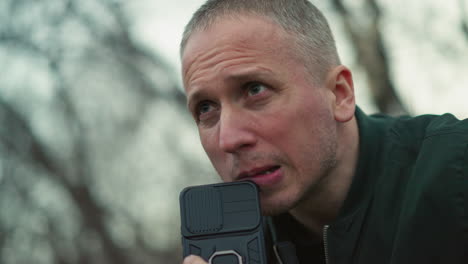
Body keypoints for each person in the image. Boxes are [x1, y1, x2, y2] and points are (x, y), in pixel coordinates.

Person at [179, 0, 468, 263]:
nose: (228, 139)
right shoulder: (241, 248)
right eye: (206, 108)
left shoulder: (454, 174)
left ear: (339, 94)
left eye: (255, 90)